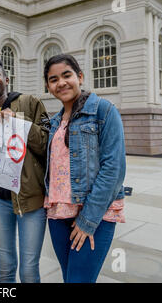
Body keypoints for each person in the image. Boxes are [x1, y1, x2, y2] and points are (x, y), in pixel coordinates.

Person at [43, 54, 126, 283]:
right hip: (58, 213)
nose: (61, 83)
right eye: (53, 79)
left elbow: (114, 169)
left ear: (80, 76)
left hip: (93, 214)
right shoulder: (54, 122)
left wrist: (87, 220)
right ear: (48, 87)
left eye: (66, 75)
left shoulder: (104, 111)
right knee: (69, 277)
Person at [0, 57, 49, 283]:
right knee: (6, 266)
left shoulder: (29, 102)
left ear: (6, 79)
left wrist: (18, 121)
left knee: (28, 269)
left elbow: (46, 144)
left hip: (29, 198)